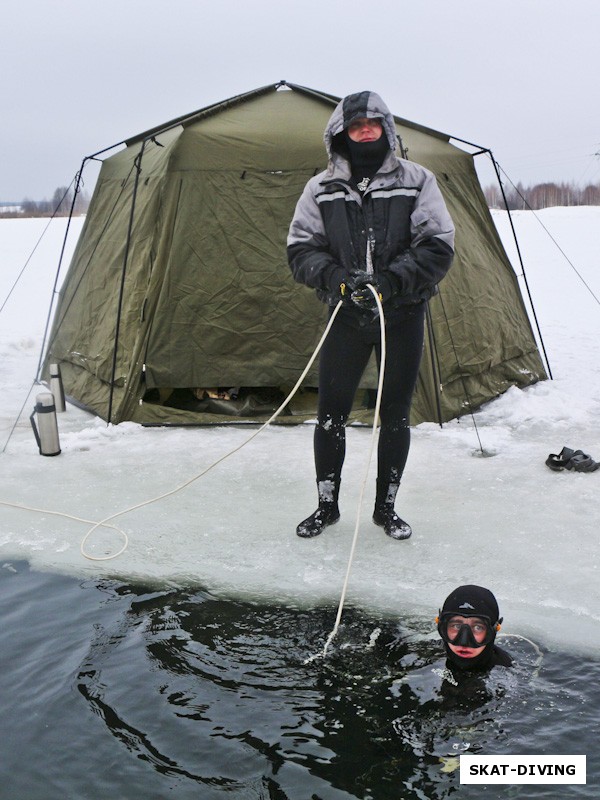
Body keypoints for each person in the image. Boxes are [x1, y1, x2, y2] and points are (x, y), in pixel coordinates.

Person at [287, 91, 455, 540]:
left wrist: (391, 281)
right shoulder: (320, 188)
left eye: (372, 124)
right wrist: (339, 280)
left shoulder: (418, 180)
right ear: (340, 133)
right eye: (355, 125)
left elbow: (438, 245)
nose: (364, 131)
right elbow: (301, 249)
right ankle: (327, 507)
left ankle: (386, 509)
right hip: (345, 314)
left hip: (401, 313)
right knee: (330, 415)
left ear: (386, 128)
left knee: (395, 415)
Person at [436, 585, 513, 671]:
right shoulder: (426, 653)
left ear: (494, 630)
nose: (463, 642)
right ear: (442, 627)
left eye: (478, 627)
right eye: (456, 626)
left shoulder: (514, 674)